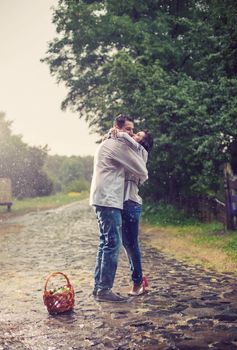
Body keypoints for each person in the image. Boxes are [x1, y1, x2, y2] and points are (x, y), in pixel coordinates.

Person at [90, 115, 148, 302]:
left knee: (106, 242)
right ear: (117, 127)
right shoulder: (116, 145)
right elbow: (142, 170)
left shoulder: (109, 142)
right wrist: (122, 137)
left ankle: (99, 288)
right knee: (112, 244)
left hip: (106, 199)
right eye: (129, 130)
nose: (131, 134)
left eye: (134, 130)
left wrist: (119, 135)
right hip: (108, 199)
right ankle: (104, 290)